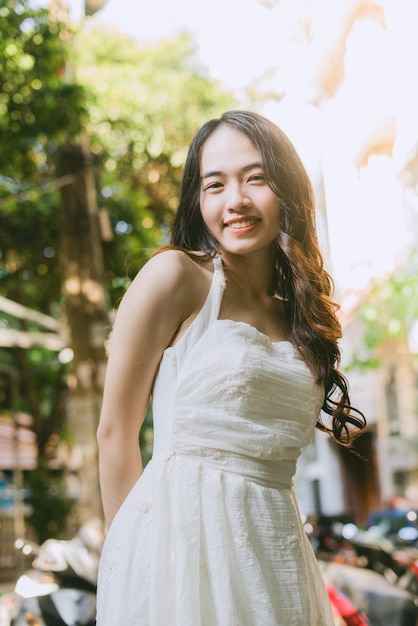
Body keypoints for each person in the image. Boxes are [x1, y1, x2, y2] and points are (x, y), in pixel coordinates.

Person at [95, 110, 366, 625]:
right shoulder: (174, 277)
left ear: (287, 189)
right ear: (198, 201)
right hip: (180, 553)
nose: (235, 201)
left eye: (256, 178)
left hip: (277, 547)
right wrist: (129, 564)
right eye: (214, 185)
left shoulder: (300, 311)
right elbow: (114, 433)